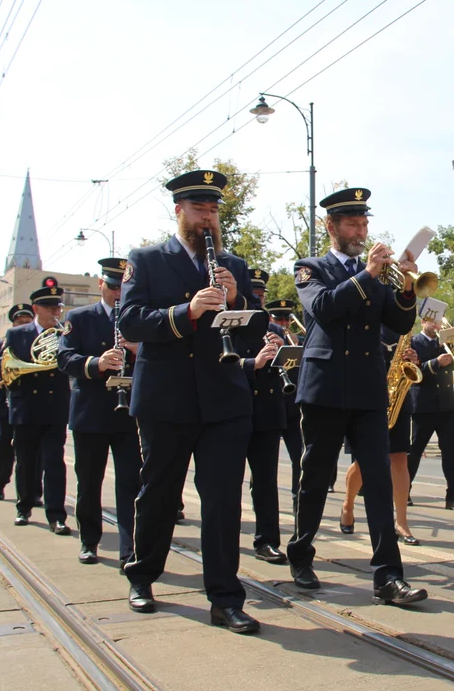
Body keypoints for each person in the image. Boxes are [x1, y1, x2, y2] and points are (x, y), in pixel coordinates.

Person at [118, 169, 270, 634]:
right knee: (160, 494)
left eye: (213, 210)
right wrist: (189, 311)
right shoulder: (146, 259)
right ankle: (143, 575)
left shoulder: (234, 265)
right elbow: (129, 321)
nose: (208, 218)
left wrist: (236, 297)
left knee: (223, 501)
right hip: (167, 399)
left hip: (224, 399)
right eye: (199, 210)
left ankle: (225, 599)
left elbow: (255, 329)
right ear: (179, 211)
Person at [286, 186, 427, 606]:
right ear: (331, 227)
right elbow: (325, 308)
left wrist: (404, 288)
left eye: (364, 223)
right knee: (317, 475)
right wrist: (367, 275)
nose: (361, 230)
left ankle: (388, 575)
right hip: (325, 388)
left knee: (379, 482)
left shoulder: (378, 274)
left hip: (367, 388)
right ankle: (301, 552)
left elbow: (398, 324)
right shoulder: (310, 267)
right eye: (352, 223)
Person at [57, 258, 144, 569]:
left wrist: (136, 349)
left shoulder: (137, 317)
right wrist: (96, 363)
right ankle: (89, 540)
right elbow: (64, 358)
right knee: (89, 482)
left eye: (123, 287)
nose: (117, 292)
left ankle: (128, 548)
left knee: (130, 485)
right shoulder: (79, 317)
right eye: (112, 286)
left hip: (129, 415)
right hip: (91, 413)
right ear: (100, 285)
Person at [340, 325, 421, 546]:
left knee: (400, 457)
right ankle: (348, 505)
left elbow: (409, 362)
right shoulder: (365, 323)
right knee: (363, 461)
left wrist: (413, 359)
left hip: (399, 398)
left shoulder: (402, 330)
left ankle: (401, 522)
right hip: (368, 396)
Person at [3, 280, 71, 531]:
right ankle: (24, 507)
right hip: (26, 406)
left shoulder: (66, 333)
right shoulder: (16, 334)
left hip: (54, 406)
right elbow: (9, 368)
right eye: (49, 307)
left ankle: (56, 515)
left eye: (57, 307)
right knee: (26, 461)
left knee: (54, 463)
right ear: (36, 309)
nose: (55, 311)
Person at [239, 270, 289, 565]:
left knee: (266, 481)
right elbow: (219, 365)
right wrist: (251, 363)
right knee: (226, 480)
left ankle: (267, 540)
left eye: (261, 296)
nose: (258, 300)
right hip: (234, 410)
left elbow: (292, 366)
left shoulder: (276, 330)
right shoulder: (229, 326)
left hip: (268, 412)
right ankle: (223, 537)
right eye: (254, 296)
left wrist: (282, 353)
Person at [407, 316, 454, 511]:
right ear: (423, 322)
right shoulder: (414, 342)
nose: (436, 325)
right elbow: (412, 372)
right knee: (414, 452)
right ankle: (403, 491)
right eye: (432, 321)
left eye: (438, 322)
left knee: (451, 453)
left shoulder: (447, 343)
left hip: (447, 406)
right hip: (423, 406)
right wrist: (435, 363)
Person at [0, 303, 38, 501]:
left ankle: (34, 491)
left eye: (27, 322)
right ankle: (0, 483)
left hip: (31, 406)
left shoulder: (41, 343)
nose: (23, 325)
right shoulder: (2, 344)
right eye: (19, 322)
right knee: (4, 447)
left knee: (34, 452)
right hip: (7, 405)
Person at [266, 299, 305, 509]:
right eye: (278, 318)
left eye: (286, 318)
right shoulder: (265, 338)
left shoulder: (298, 340)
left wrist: (294, 348)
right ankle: (262, 501)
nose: (283, 323)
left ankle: (298, 502)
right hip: (272, 405)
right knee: (266, 463)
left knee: (300, 459)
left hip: (293, 408)